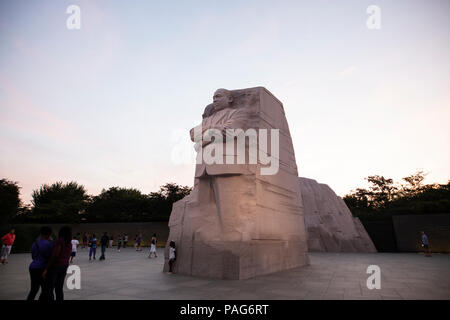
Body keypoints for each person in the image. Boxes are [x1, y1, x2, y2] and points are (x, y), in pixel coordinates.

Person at [42, 226, 72, 300]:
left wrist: (46, 268)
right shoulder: (69, 243)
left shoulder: (60, 241)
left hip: (56, 266)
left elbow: (55, 255)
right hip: (65, 265)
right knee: (59, 288)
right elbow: (69, 254)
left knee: (50, 287)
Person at [27, 226, 54, 300]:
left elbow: (33, 256)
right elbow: (51, 257)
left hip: (33, 267)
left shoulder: (35, 243)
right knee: (46, 290)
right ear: (48, 234)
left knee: (34, 289)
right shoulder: (48, 244)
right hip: (43, 268)